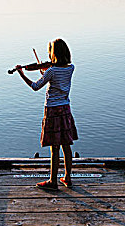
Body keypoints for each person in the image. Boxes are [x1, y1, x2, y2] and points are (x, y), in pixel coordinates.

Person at [15, 38, 78, 190]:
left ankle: (53, 181)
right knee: (66, 145)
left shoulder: (51, 71)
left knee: (54, 148)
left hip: (52, 111)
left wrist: (21, 73)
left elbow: (36, 86)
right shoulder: (70, 68)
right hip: (65, 109)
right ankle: (68, 177)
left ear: (53, 54)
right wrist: (46, 73)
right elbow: (57, 79)